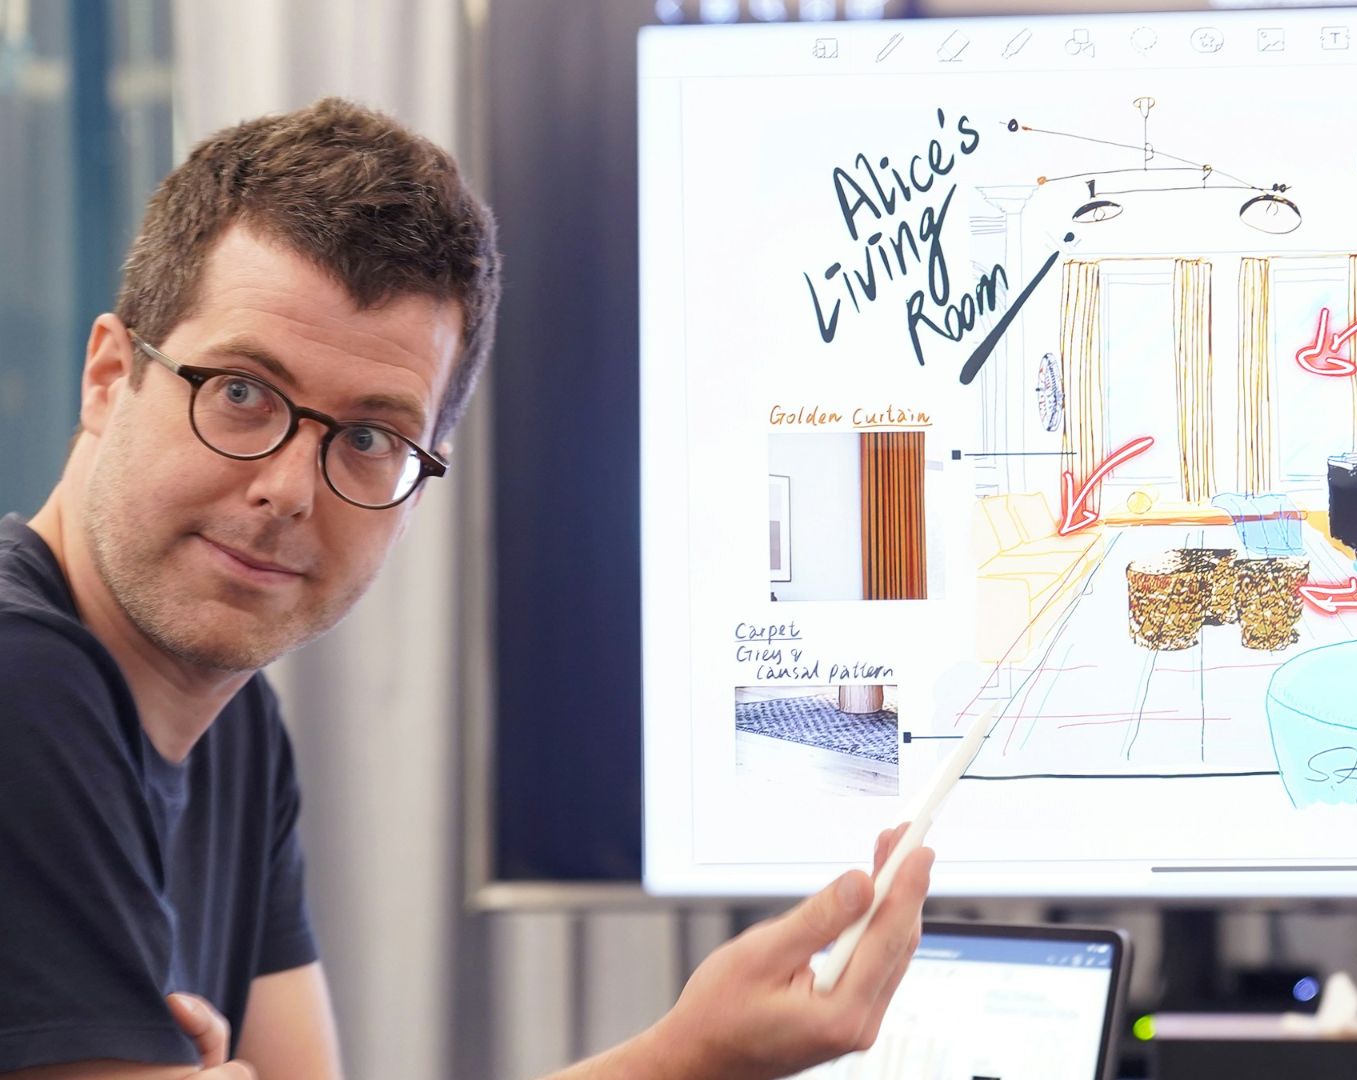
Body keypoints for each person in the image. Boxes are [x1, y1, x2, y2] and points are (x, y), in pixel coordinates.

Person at [0, 97, 934, 1080]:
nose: (285, 492)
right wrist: (687, 1059)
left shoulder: (235, 726)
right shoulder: (24, 685)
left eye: (367, 439)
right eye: (241, 393)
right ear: (110, 377)